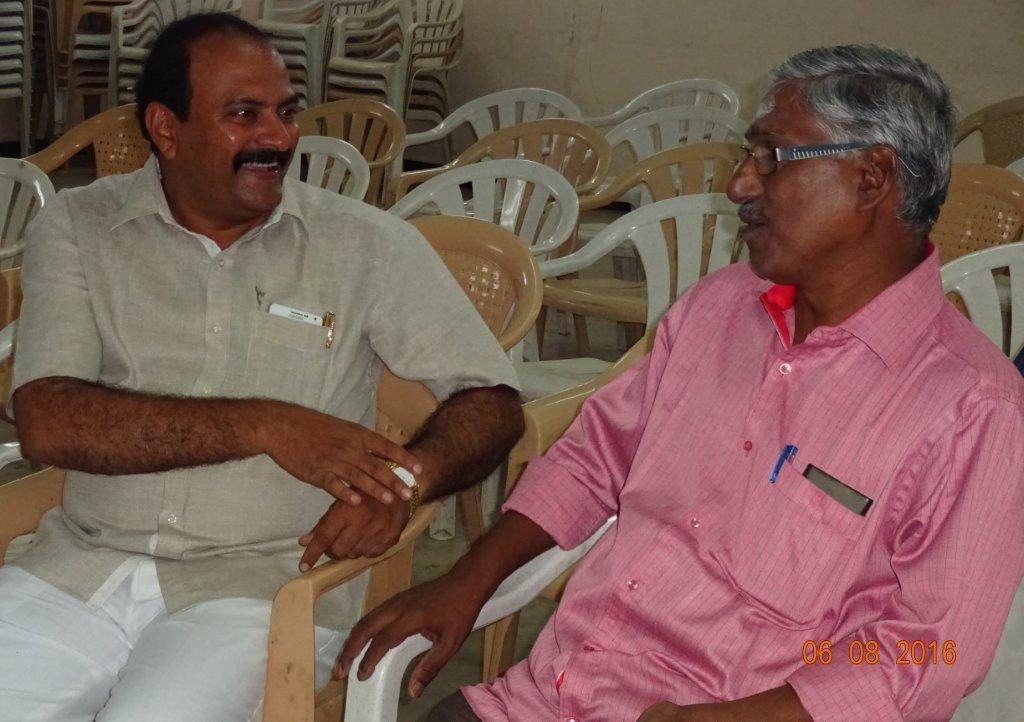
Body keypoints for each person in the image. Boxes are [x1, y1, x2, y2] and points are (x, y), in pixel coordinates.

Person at [339, 44, 1024, 721]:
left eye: (771, 157)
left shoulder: (972, 407)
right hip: (552, 698)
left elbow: (931, 652)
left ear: (871, 178)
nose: (740, 185)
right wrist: (468, 578)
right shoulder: (719, 307)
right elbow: (593, 459)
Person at [0, 13, 523, 722]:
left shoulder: (364, 245)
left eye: (285, 112)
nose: (277, 138)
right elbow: (49, 420)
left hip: (263, 588)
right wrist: (269, 426)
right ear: (166, 128)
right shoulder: (79, 226)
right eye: (243, 114)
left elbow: (491, 400)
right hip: (79, 567)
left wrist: (406, 481)